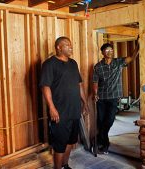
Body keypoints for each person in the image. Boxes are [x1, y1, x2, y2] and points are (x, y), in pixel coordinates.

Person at [39, 36, 88, 169]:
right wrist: (51, 108)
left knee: (70, 141)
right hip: (60, 112)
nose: (70, 47)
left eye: (71, 44)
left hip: (75, 110)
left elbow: (79, 84)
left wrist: (84, 103)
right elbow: (45, 86)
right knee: (60, 144)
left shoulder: (73, 63)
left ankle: (65, 165)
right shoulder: (49, 64)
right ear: (58, 47)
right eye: (67, 45)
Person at [92, 40, 139, 154]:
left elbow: (132, 58)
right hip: (101, 98)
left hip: (113, 98)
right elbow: (95, 82)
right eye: (107, 50)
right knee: (101, 121)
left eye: (111, 50)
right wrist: (95, 93)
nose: (109, 52)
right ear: (102, 52)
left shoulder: (118, 62)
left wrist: (138, 46)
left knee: (109, 120)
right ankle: (105, 144)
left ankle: (99, 139)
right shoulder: (98, 67)